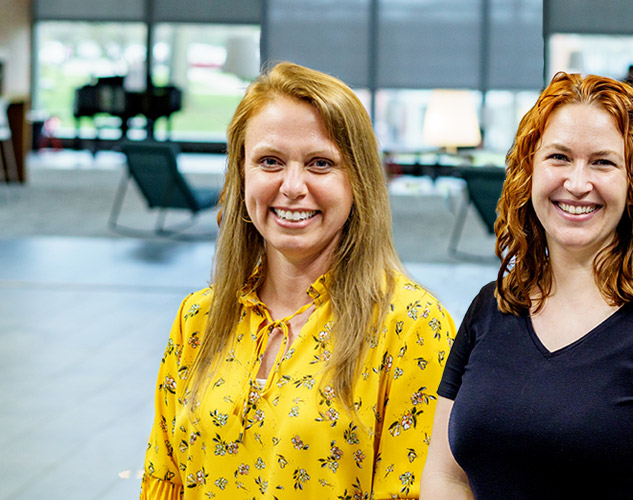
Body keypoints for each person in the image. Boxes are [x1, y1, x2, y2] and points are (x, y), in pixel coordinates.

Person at [420, 73, 633, 499]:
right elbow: (446, 476)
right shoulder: (494, 304)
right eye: (559, 157)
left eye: (602, 162)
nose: (577, 183)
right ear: (528, 171)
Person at [140, 62, 456, 500]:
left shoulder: (412, 325)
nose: (292, 186)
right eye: (270, 161)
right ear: (242, 173)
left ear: (358, 182)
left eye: (320, 163)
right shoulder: (199, 319)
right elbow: (166, 479)